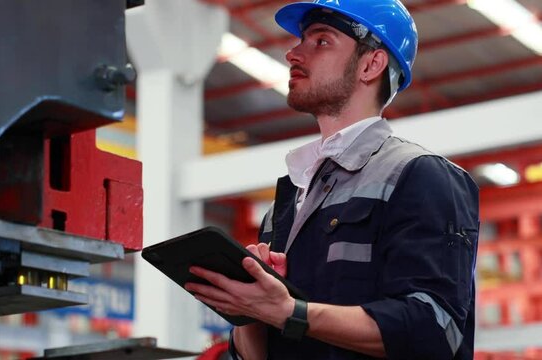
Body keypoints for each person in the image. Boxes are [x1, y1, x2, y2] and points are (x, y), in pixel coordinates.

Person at [184, 0, 479, 359]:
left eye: (321, 41)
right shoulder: (285, 205)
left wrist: (291, 311)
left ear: (371, 64)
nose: (293, 53)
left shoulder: (421, 176)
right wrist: (252, 309)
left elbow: (434, 330)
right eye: (300, 41)